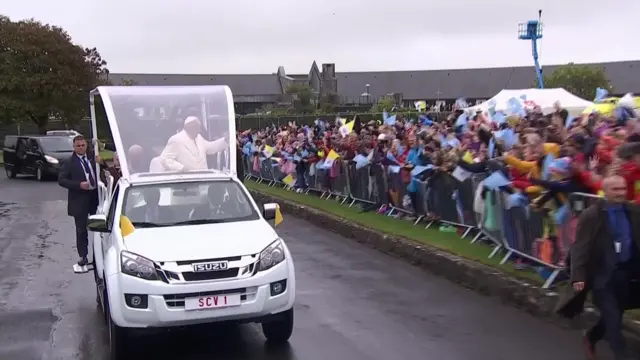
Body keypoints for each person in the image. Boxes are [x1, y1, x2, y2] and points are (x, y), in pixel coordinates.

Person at [556, 175, 640, 359]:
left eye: (623, 189)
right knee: (613, 321)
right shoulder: (592, 215)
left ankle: (591, 336)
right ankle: (621, 354)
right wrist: (578, 276)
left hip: (625, 274)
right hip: (602, 276)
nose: (620, 193)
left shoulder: (633, 211)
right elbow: (580, 248)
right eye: (615, 189)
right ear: (604, 191)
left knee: (616, 314)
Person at [58, 135, 99, 267]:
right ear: (74, 147)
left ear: (86, 145)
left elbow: (102, 170)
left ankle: (99, 254)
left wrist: (102, 162)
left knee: (100, 227)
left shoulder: (93, 157)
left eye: (83, 145)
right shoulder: (69, 162)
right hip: (79, 199)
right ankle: (83, 255)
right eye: (78, 146)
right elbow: (62, 180)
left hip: (95, 197)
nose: (81, 148)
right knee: (81, 230)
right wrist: (78, 185)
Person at [159, 116, 227, 172]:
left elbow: (211, 148)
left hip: (203, 179)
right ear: (188, 128)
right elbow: (165, 159)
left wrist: (225, 140)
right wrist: (181, 168)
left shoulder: (199, 138)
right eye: (197, 128)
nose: (199, 130)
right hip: (186, 181)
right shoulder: (176, 140)